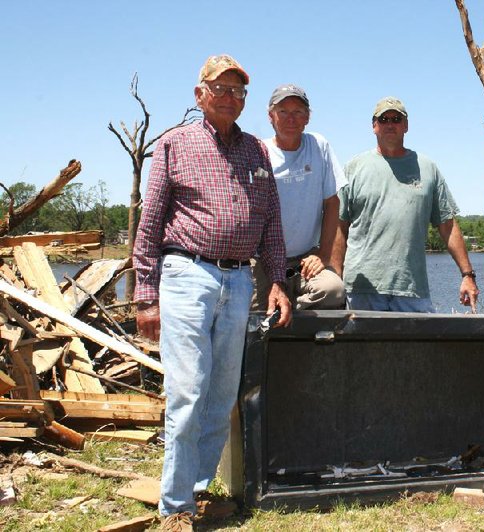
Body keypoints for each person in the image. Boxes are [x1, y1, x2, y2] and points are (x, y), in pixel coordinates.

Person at [133, 54, 291, 530]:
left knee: (221, 395)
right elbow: (150, 223)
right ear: (199, 94)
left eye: (238, 91)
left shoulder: (257, 152)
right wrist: (145, 293)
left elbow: (271, 223)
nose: (229, 98)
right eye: (220, 89)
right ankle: (175, 507)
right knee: (187, 392)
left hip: (241, 281)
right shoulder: (172, 145)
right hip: (187, 276)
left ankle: (199, 491)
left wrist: (278, 280)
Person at [337, 96, 479, 313]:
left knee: (419, 348)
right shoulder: (353, 168)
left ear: (406, 125)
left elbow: (447, 225)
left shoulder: (427, 168)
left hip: (412, 289)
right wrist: (335, 276)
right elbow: (339, 227)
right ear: (374, 126)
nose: (390, 124)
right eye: (384, 119)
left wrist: (467, 275)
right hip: (361, 288)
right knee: (363, 348)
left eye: (396, 118)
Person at [252, 84, 346, 311]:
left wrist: (323, 255)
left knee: (333, 291)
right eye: (283, 111)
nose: (290, 118)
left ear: (308, 117)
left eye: (298, 112)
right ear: (270, 116)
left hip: (305, 258)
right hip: (263, 259)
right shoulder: (257, 151)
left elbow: (332, 203)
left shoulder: (318, 146)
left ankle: (293, 314)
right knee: (252, 313)